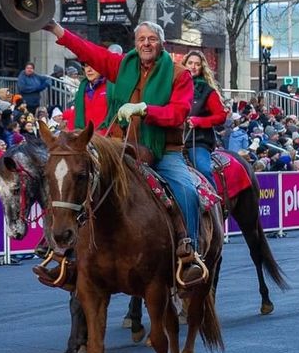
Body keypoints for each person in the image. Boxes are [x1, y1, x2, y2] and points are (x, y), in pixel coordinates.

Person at [43, 17, 207, 287]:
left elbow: (179, 112)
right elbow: (89, 51)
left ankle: (188, 252)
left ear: (161, 44)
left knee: (186, 190)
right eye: (141, 39)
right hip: (119, 144)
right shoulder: (122, 65)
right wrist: (57, 30)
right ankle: (60, 253)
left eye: (151, 39)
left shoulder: (180, 74)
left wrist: (145, 109)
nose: (146, 44)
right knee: (75, 178)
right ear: (135, 43)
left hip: (163, 149)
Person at [183, 50, 227, 187]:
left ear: (202, 68)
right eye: (190, 63)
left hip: (198, 141)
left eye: (197, 64)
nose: (193, 66)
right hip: (173, 140)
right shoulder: (174, 86)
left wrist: (200, 121)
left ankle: (214, 203)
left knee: (203, 169)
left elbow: (221, 116)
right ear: (184, 65)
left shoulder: (208, 91)